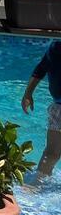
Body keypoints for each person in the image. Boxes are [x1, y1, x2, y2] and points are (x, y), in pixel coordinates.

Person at [22, 40, 61, 182]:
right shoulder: (56, 47)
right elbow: (41, 69)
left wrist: (28, 93)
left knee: (52, 153)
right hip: (58, 108)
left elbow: (40, 69)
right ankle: (37, 182)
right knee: (52, 153)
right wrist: (28, 93)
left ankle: (36, 183)